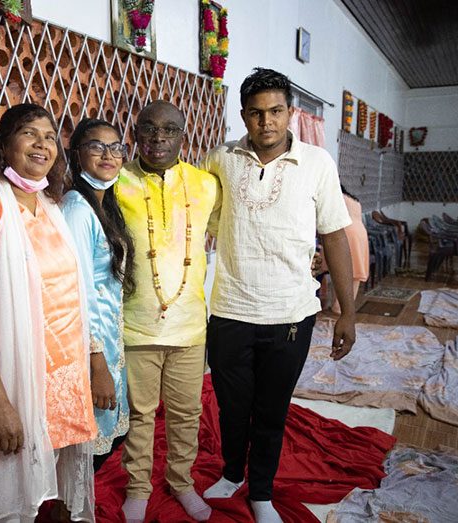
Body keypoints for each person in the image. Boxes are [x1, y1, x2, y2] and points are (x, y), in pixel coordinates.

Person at [200, 68, 357, 523]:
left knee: (271, 410)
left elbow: (335, 237)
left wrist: (347, 313)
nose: (266, 122)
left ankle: (262, 491)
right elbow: (201, 222)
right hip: (229, 310)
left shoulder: (317, 163)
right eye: (255, 113)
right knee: (231, 406)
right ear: (243, 116)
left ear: (291, 112)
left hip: (291, 314)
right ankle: (232, 473)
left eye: (275, 111)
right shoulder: (221, 159)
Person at [0, 103, 97, 523]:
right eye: (29, 133)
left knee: (63, 494)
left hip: (64, 381)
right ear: (5, 145)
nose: (42, 144)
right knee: (18, 501)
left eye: (49, 137)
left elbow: (71, 294)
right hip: (16, 383)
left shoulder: (48, 203)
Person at [115, 101, 221, 523]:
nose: (159, 138)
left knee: (186, 412)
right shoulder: (116, 182)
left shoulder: (206, 185)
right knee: (139, 415)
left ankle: (181, 481)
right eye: (149, 128)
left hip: (190, 326)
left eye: (170, 130)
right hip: (136, 324)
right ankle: (138, 487)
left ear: (183, 136)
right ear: (136, 132)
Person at [60, 118, 135, 470]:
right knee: (83, 455)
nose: (109, 154)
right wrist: (97, 366)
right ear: (77, 156)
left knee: (102, 448)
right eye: (96, 146)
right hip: (90, 351)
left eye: (116, 147)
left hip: (108, 344)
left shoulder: (104, 204)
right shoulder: (77, 208)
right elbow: (77, 295)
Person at [329, 185, 369, 314]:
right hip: (360, 233)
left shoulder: (337, 197)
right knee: (355, 271)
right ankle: (346, 307)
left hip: (347, 233)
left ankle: (338, 307)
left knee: (340, 269)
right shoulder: (354, 200)